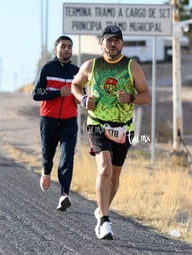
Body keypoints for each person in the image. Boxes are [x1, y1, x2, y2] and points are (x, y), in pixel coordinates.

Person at [71, 25, 150, 239]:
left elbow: (146, 96)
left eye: (117, 40)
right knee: (104, 169)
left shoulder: (132, 67)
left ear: (122, 43)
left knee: (114, 176)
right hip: (97, 124)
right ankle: (105, 221)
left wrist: (132, 97)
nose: (112, 44)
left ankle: (101, 209)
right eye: (109, 40)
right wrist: (84, 99)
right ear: (101, 43)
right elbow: (75, 86)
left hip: (124, 127)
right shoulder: (91, 66)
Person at [33, 35, 79, 211]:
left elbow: (81, 94)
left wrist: (81, 100)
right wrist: (57, 93)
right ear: (56, 49)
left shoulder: (76, 71)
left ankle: (64, 194)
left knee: (67, 157)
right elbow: (36, 93)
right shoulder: (47, 68)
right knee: (48, 154)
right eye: (63, 46)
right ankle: (46, 171)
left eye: (69, 46)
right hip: (49, 119)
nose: (67, 49)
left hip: (69, 121)